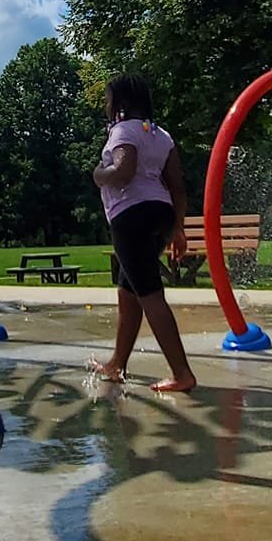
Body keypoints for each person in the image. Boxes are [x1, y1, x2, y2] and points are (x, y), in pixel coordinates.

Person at [88, 75, 196, 394]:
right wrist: (178, 228)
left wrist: (98, 175)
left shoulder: (122, 130)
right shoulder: (161, 135)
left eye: (108, 100)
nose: (107, 106)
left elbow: (123, 171)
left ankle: (182, 373)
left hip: (131, 216)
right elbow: (177, 187)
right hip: (159, 214)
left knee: (150, 295)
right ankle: (116, 364)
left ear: (120, 103)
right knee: (129, 295)